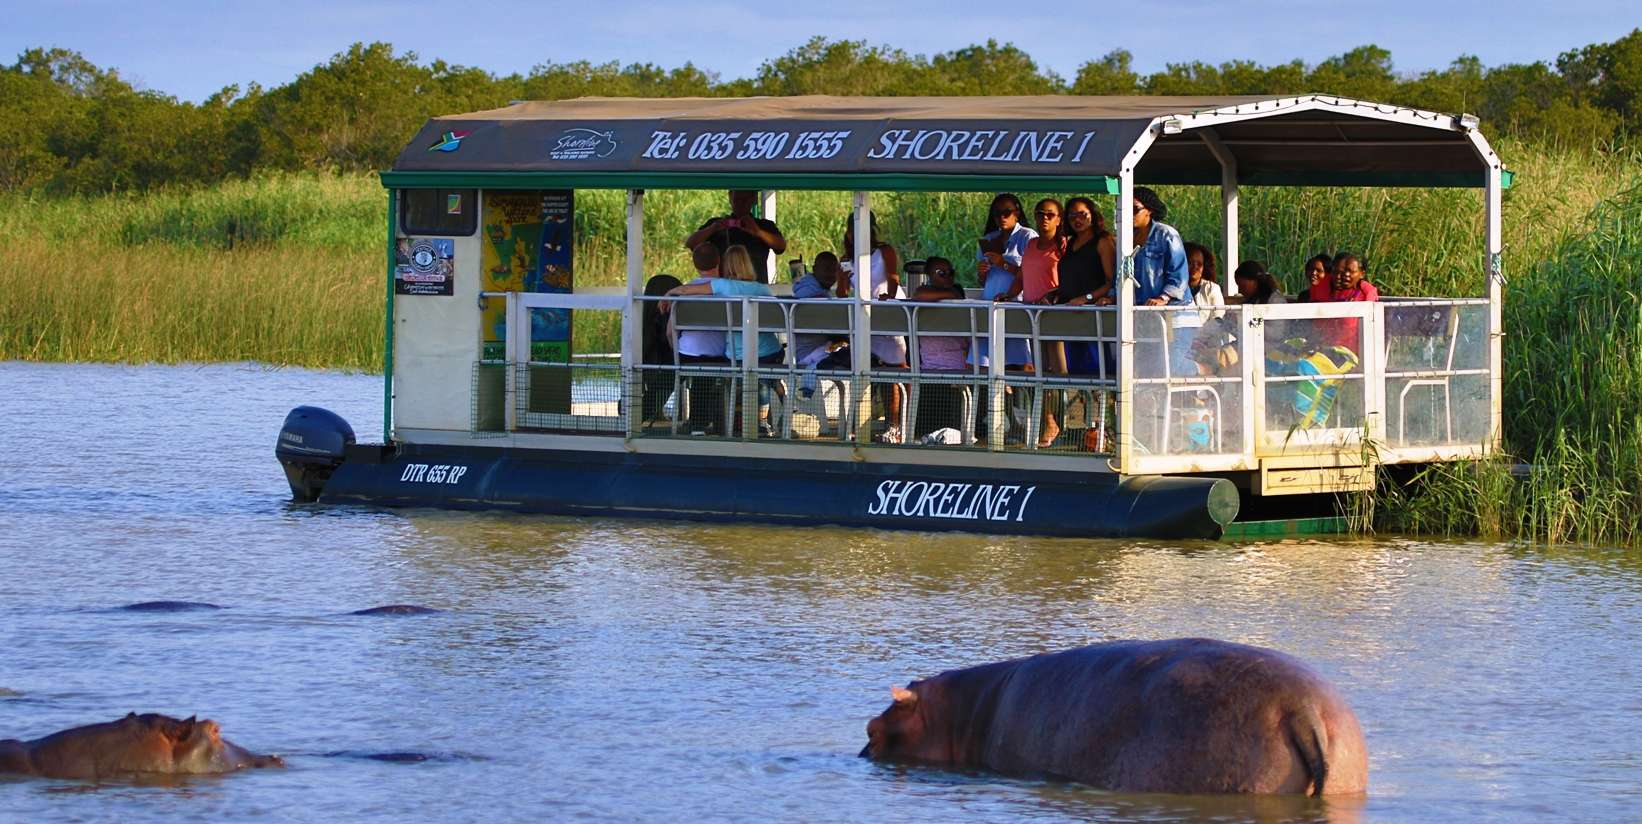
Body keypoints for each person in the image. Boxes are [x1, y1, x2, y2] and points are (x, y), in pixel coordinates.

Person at [661, 245, 784, 436]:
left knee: (744, 371)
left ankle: (726, 423)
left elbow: (686, 290)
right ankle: (766, 414)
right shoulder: (762, 289)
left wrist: (669, 294)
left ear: (725, 266)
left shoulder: (723, 286)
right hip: (769, 352)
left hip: (736, 355)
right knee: (763, 372)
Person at [1130, 187, 1196, 452]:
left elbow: (1179, 274)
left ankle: (1205, 368)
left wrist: (1165, 298)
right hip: (1145, 319)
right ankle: (1150, 435)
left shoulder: (1167, 234)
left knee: (1169, 366)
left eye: (1134, 210)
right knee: (1148, 374)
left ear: (1149, 211)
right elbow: (1123, 276)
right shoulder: (1126, 237)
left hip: (1176, 315)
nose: (1129, 215)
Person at [838, 212, 908, 444]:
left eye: (868, 228)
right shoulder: (846, 259)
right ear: (849, 232)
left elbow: (893, 277)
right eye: (856, 229)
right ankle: (861, 424)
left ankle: (895, 426)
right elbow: (841, 294)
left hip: (887, 315)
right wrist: (845, 279)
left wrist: (889, 294)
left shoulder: (884, 251)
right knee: (863, 371)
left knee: (894, 369)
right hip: (863, 320)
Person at [1019, 198, 1068, 447]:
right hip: (1031, 315)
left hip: (1054, 314)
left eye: (1050, 214)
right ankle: (1048, 421)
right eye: (1040, 214)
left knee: (1057, 371)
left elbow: (1070, 277)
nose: (1045, 218)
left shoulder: (1063, 245)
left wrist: (1055, 296)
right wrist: (1008, 294)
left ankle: (1059, 422)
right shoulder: (1030, 245)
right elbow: (1022, 275)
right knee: (1039, 371)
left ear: (1059, 219)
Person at [972, 193, 1037, 368]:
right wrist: (982, 273)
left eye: (1006, 212)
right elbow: (983, 281)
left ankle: (1024, 395)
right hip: (990, 302)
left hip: (1015, 303)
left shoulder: (1027, 236)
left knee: (1020, 363)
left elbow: (1031, 274)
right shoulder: (988, 239)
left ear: (1017, 212)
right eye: (997, 213)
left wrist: (1003, 263)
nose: (1001, 217)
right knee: (980, 362)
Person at [682, 190, 787, 282]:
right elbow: (691, 244)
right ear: (730, 197)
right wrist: (712, 229)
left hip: (755, 286)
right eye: (737, 199)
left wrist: (759, 232)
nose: (741, 204)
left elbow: (781, 246)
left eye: (745, 200)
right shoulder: (716, 224)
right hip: (724, 288)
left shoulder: (764, 225)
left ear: (754, 199)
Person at [1185, 242, 1226, 321]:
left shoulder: (1212, 288)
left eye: (1199, 264)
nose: (1195, 267)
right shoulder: (1172, 289)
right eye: (1190, 263)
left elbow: (1218, 319)